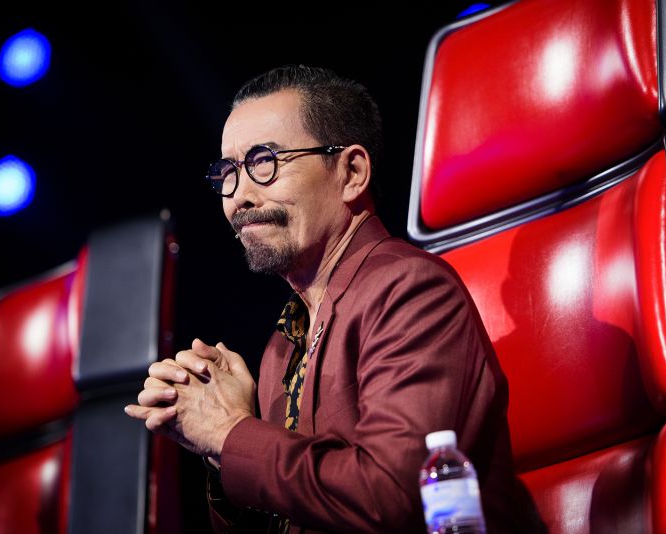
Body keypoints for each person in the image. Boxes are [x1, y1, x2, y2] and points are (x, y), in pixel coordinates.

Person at [125, 65, 525, 533]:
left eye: (264, 162)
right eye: (228, 172)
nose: (239, 198)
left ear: (351, 173)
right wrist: (220, 447)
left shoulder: (411, 291)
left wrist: (230, 432)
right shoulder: (283, 343)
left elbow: (393, 497)